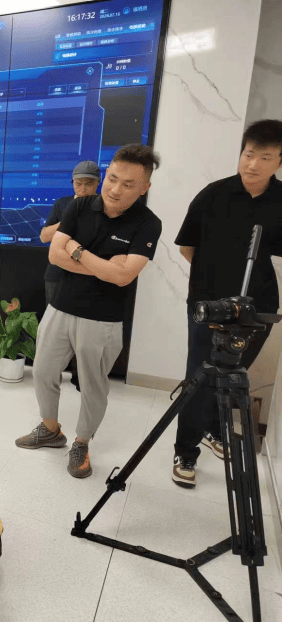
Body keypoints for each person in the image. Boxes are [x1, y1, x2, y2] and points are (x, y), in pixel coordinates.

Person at [15, 145, 162, 479]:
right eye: (112, 178)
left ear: (144, 187)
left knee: (93, 387)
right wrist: (106, 267)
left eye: (128, 184)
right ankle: (50, 429)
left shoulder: (148, 223)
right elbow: (55, 254)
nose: (116, 189)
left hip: (103, 319)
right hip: (60, 307)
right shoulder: (80, 206)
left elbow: (124, 276)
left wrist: (77, 250)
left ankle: (81, 443)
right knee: (43, 372)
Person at [172, 119, 282, 488]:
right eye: (248, 154)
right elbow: (187, 247)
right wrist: (214, 282)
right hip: (209, 305)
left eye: (265, 157)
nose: (253, 164)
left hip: (258, 308)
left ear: (279, 162)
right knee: (199, 377)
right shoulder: (212, 195)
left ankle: (213, 429)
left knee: (233, 375)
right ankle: (185, 451)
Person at [39, 160, 102, 392]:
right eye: (78, 183)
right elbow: (44, 236)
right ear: (72, 183)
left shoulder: (104, 206)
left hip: (88, 275)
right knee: (54, 328)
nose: (83, 189)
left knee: (85, 331)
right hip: (57, 275)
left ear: (98, 183)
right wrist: (68, 217)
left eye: (88, 184)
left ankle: (80, 375)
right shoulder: (63, 204)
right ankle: (50, 373)